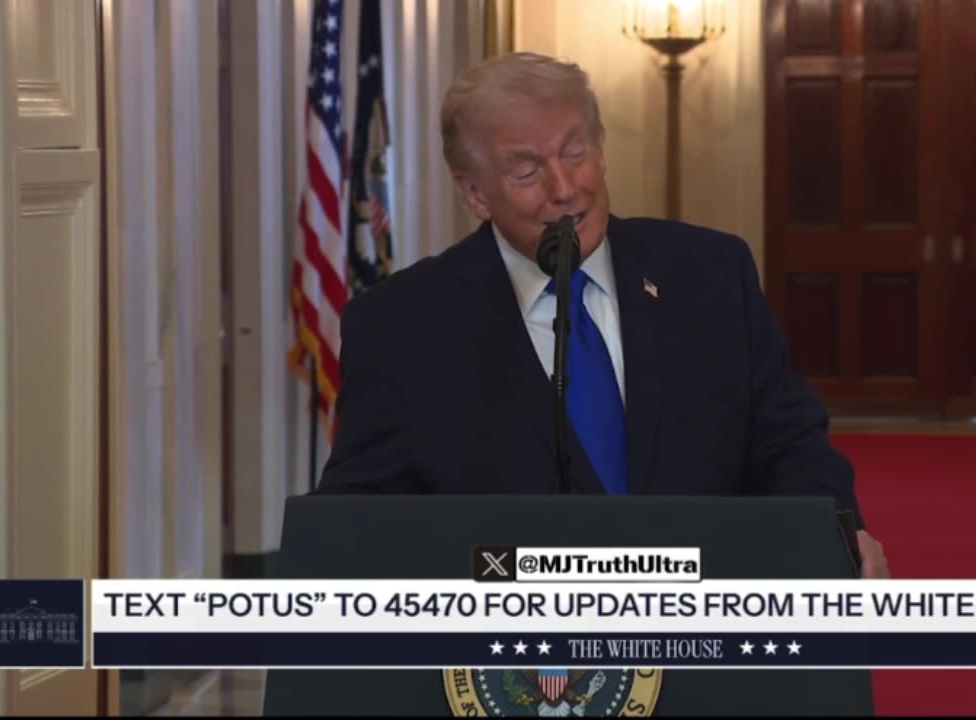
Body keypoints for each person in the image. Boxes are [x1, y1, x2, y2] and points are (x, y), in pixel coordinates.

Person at [315, 52, 889, 579]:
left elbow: (789, 443)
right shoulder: (402, 326)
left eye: (575, 153)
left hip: (707, 633)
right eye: (526, 171)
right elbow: (357, 522)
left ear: (601, 148)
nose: (564, 188)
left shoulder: (711, 274)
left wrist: (834, 532)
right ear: (474, 194)